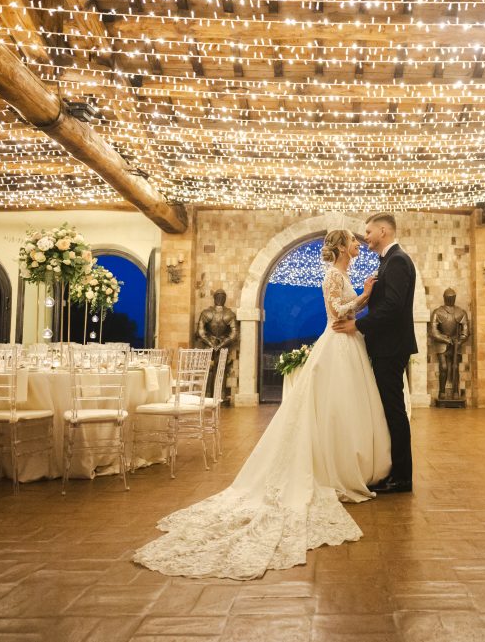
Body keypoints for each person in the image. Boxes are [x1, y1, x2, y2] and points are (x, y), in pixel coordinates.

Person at [134, 229, 391, 579]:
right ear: (343, 247)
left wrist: (361, 298)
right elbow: (335, 312)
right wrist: (364, 297)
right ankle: (335, 468)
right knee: (333, 408)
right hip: (337, 342)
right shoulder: (333, 275)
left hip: (348, 345)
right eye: (355, 242)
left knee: (346, 410)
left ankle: (352, 462)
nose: (359, 245)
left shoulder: (343, 273)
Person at [334, 212, 417, 494]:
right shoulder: (389, 261)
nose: (365, 237)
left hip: (391, 348)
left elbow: (392, 307)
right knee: (390, 409)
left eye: (368, 232)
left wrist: (358, 325)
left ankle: (402, 477)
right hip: (387, 346)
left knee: (394, 411)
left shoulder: (397, 261)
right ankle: (393, 471)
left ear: (383, 231)